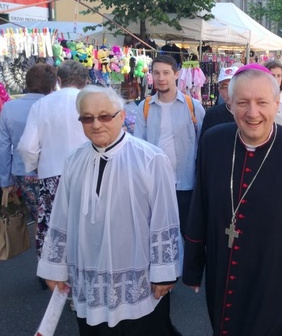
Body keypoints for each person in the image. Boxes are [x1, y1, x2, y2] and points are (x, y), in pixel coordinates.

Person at [183, 63, 282, 336]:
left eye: (262, 102)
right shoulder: (213, 142)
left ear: (276, 103)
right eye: (242, 102)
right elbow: (199, 207)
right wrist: (192, 267)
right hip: (221, 270)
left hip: (274, 276)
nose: (252, 113)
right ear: (230, 103)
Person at [37, 86, 184, 335]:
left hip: (138, 279)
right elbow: (61, 218)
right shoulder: (74, 161)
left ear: (121, 116)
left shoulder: (150, 158)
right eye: (87, 118)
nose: (96, 124)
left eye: (104, 116)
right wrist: (55, 268)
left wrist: (164, 273)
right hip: (88, 274)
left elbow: (164, 218)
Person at [18, 60, 89, 258]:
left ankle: (56, 276)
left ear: (59, 80)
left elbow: (27, 146)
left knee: (54, 229)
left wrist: (34, 166)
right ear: (84, 81)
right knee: (89, 228)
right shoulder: (91, 100)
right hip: (88, 173)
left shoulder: (42, 104)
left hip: (52, 174)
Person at [134, 55, 205, 236]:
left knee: (186, 234)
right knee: (155, 233)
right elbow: (139, 146)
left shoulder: (193, 106)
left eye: (166, 73)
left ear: (176, 75)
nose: (161, 78)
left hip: (185, 184)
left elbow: (202, 145)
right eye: (156, 73)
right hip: (154, 184)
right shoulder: (145, 106)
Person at [0, 64, 57, 230]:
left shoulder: (10, 108)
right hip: (53, 171)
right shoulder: (54, 105)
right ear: (52, 85)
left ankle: (42, 253)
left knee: (39, 219)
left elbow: (4, 146)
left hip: (23, 172)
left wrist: (5, 180)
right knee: (57, 220)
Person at [200, 65, 240, 139]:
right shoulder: (212, 115)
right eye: (225, 87)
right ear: (219, 91)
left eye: (233, 85)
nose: (229, 91)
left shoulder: (250, 114)